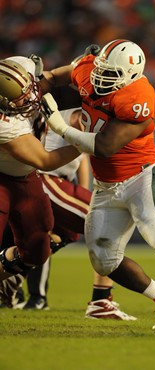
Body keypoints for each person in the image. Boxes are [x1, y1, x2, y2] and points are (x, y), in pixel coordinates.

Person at [39, 39, 155, 331]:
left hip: (141, 175)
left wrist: (62, 128)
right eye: (101, 70)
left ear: (131, 76)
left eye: (111, 76)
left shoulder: (139, 96)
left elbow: (104, 146)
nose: (101, 79)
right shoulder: (88, 69)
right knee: (103, 260)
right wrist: (30, 89)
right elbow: (52, 78)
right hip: (106, 185)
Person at [0, 102, 136, 319]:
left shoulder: (82, 115)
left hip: (58, 180)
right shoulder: (79, 116)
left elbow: (82, 157)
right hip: (47, 178)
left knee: (57, 238)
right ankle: (101, 301)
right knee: (109, 220)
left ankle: (9, 279)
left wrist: (81, 193)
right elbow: (86, 143)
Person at [0, 55, 83, 301]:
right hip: (4, 180)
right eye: (21, 98)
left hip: (26, 178)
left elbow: (55, 76)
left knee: (37, 249)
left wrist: (89, 68)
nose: (31, 97)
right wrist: (90, 141)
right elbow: (46, 160)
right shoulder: (5, 125)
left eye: (28, 90)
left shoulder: (20, 69)